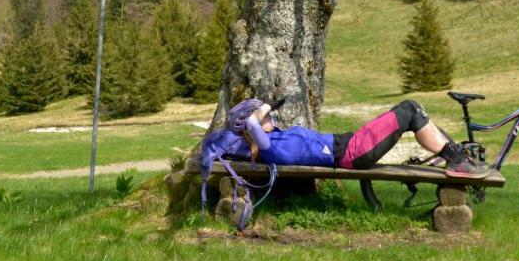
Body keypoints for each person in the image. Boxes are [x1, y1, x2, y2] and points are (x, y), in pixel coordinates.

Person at [200, 97, 488, 179]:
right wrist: (262, 110)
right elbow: (251, 122)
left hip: (350, 144)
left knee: (412, 110)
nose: (270, 117)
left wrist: (265, 111)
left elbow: (255, 123)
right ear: (253, 126)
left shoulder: (273, 140)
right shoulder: (269, 149)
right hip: (351, 152)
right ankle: (457, 161)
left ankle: (454, 155)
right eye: (266, 118)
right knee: (410, 110)